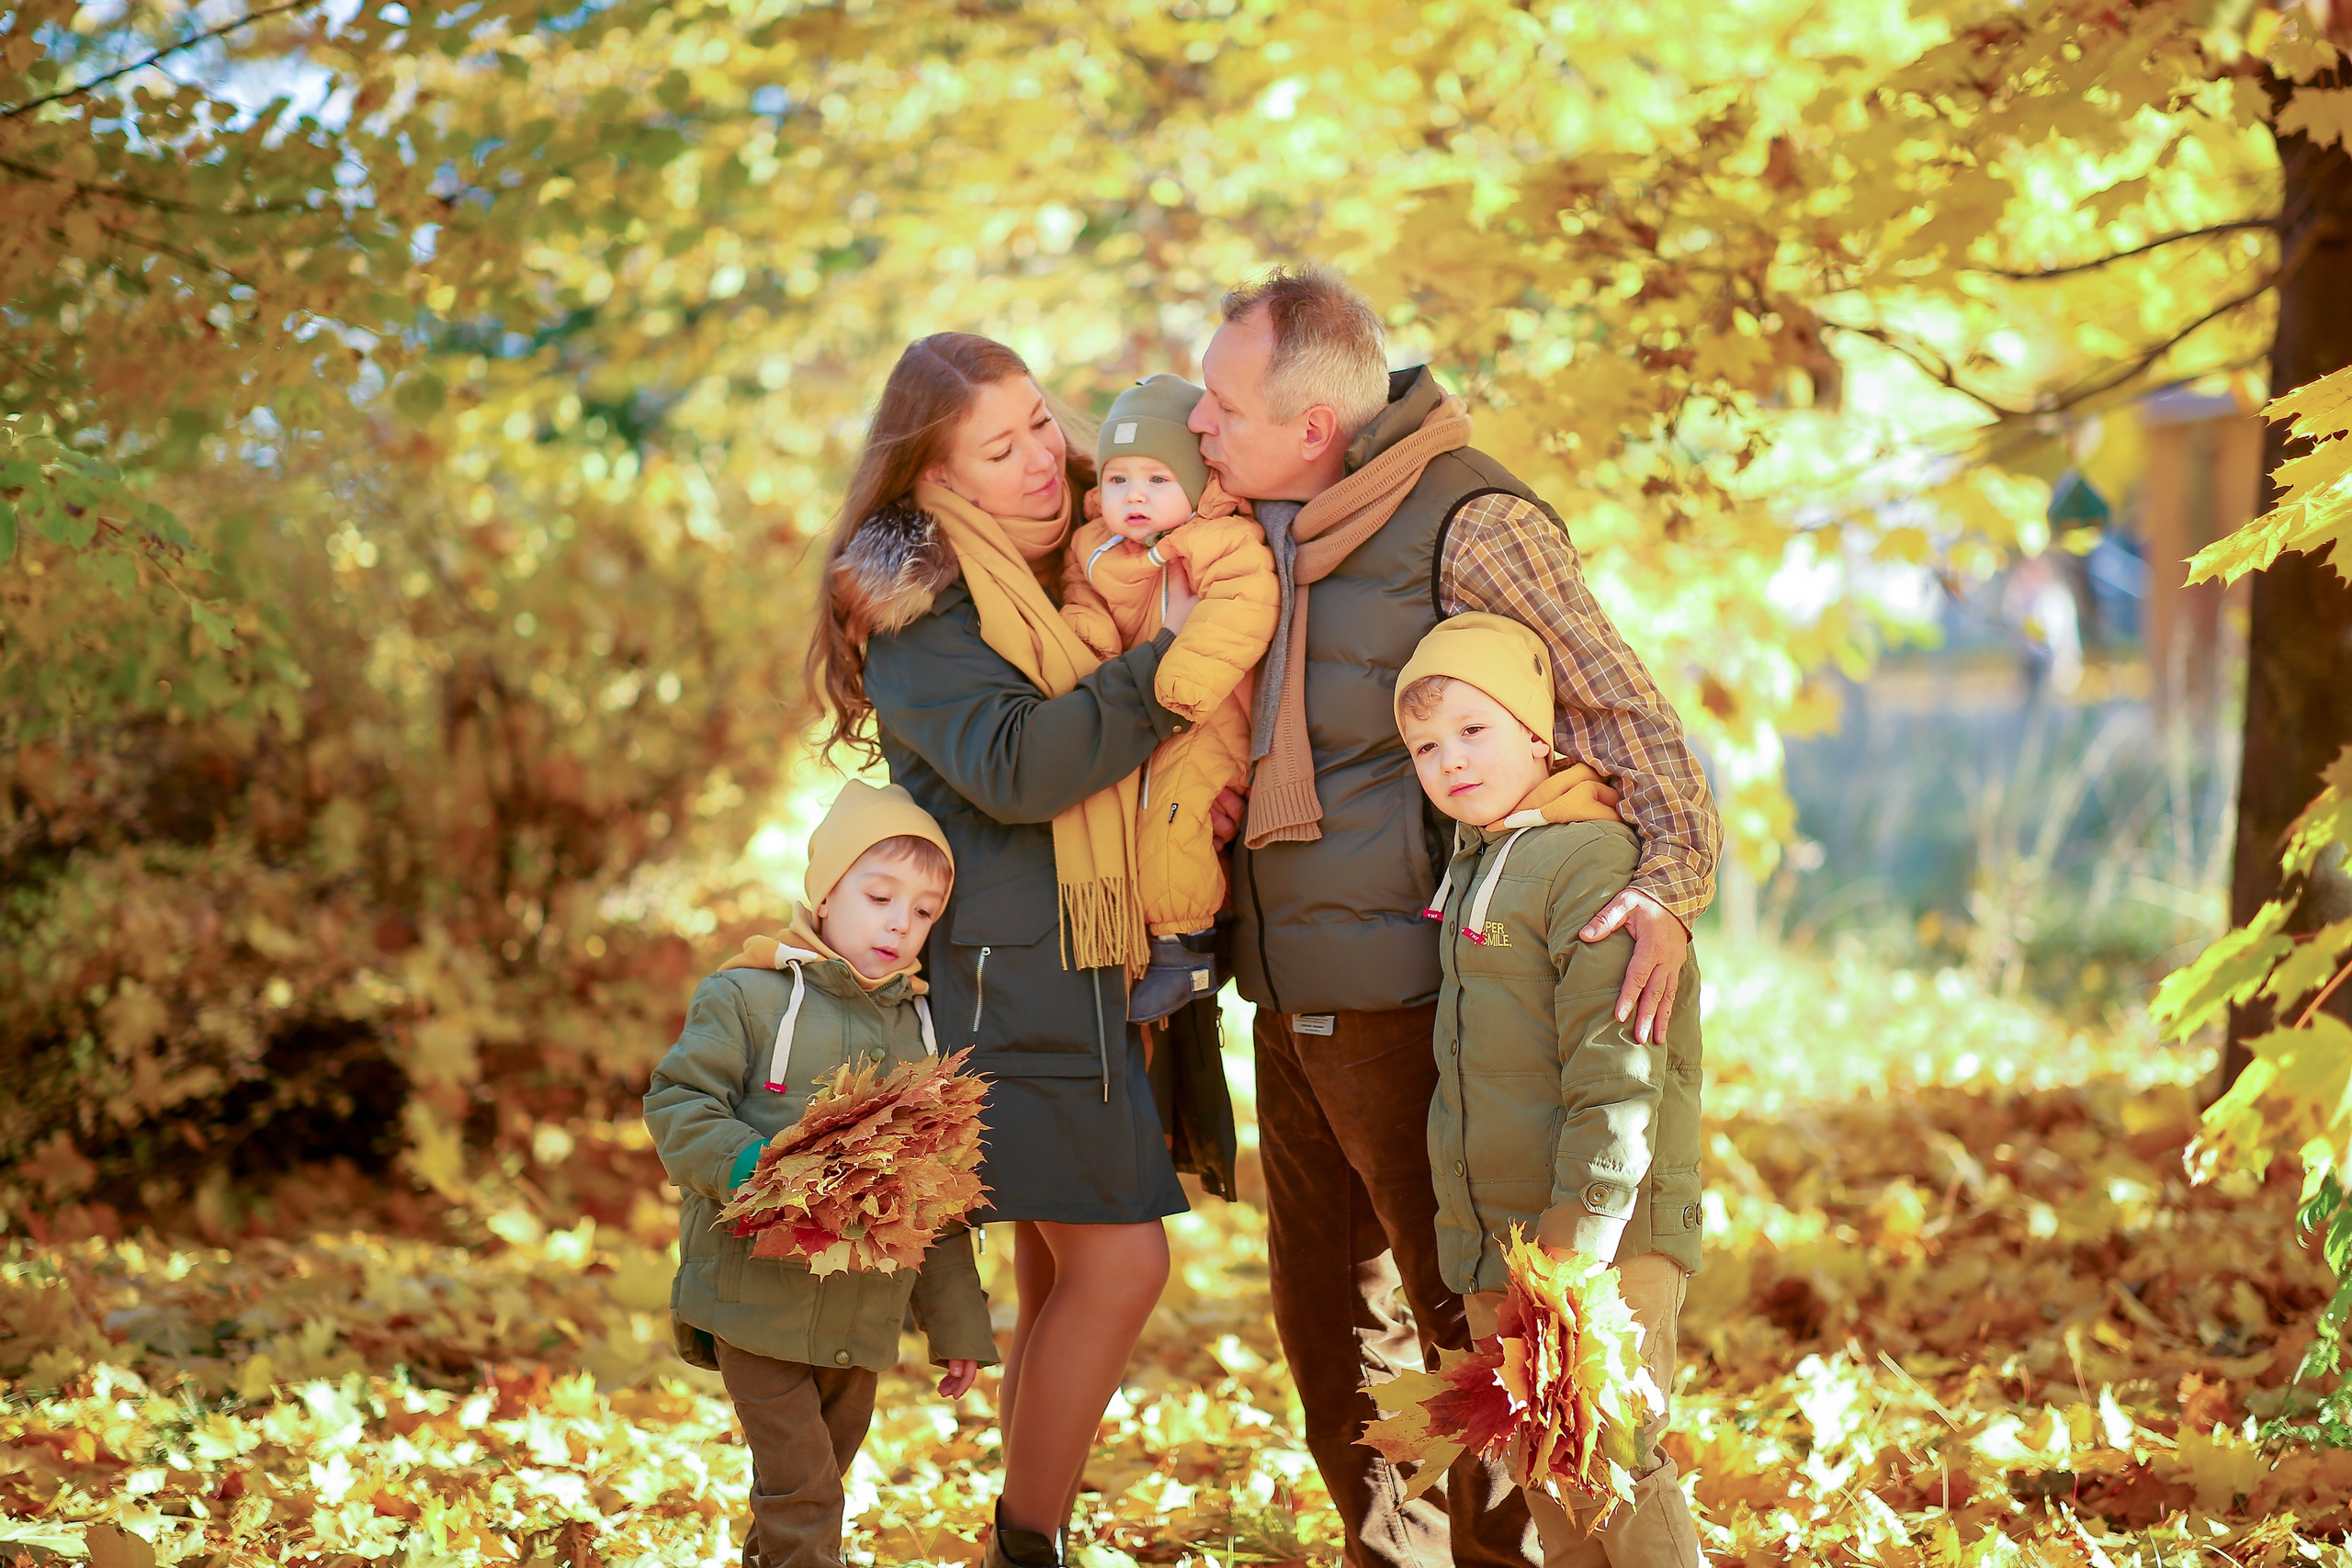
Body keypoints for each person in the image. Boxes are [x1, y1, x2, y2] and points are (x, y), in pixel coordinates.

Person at [1187, 266, 1721, 1568]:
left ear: (1312, 425)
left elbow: (1630, 725)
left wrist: (1664, 893)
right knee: (1338, 1358)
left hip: (1419, 1007)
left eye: (1220, 404)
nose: (1200, 426)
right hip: (1288, 995)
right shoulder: (1266, 526)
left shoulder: (1466, 523)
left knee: (1479, 1352)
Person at [804, 333, 1198, 1568]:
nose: (1041, 458)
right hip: (1006, 984)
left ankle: (1030, 1535)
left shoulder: (1074, 564)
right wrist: (1167, 666)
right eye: (1000, 445)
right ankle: (1029, 1541)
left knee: (1061, 1264)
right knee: (1124, 1259)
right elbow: (1025, 766)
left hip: (1080, 969)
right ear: (935, 479)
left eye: (1039, 421)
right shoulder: (923, 616)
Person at [1396, 614, 1704, 1568]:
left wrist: (1584, 1234)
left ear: (1537, 732)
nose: (1449, 761)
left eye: (1473, 731)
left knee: (1614, 1460)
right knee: (1548, 1469)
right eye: (1425, 747)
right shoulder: (1481, 857)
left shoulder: (1590, 864)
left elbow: (1618, 1067)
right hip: (1502, 1239)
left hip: (1595, 1241)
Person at [643, 780, 995, 1568]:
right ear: (825, 891)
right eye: (879, 896)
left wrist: (956, 1323)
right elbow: (679, 1099)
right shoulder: (747, 995)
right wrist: (747, 1165)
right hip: (753, 1295)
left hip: (859, 1313)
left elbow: (930, 1192)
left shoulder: (920, 1030)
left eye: (924, 910)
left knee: (818, 1475)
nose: (901, 922)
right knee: (806, 1488)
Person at [1059, 373, 1280, 1021]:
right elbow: (1080, 599)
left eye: (1158, 479)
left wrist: (1179, 686)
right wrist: (1089, 643)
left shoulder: (1222, 540)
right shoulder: (1093, 546)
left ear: (1197, 482)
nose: (1135, 496)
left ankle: (1185, 946)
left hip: (1205, 715)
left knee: (1175, 814)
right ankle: (1160, 940)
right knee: (1131, 820)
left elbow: (1245, 605)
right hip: (1143, 715)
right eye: (1121, 478)